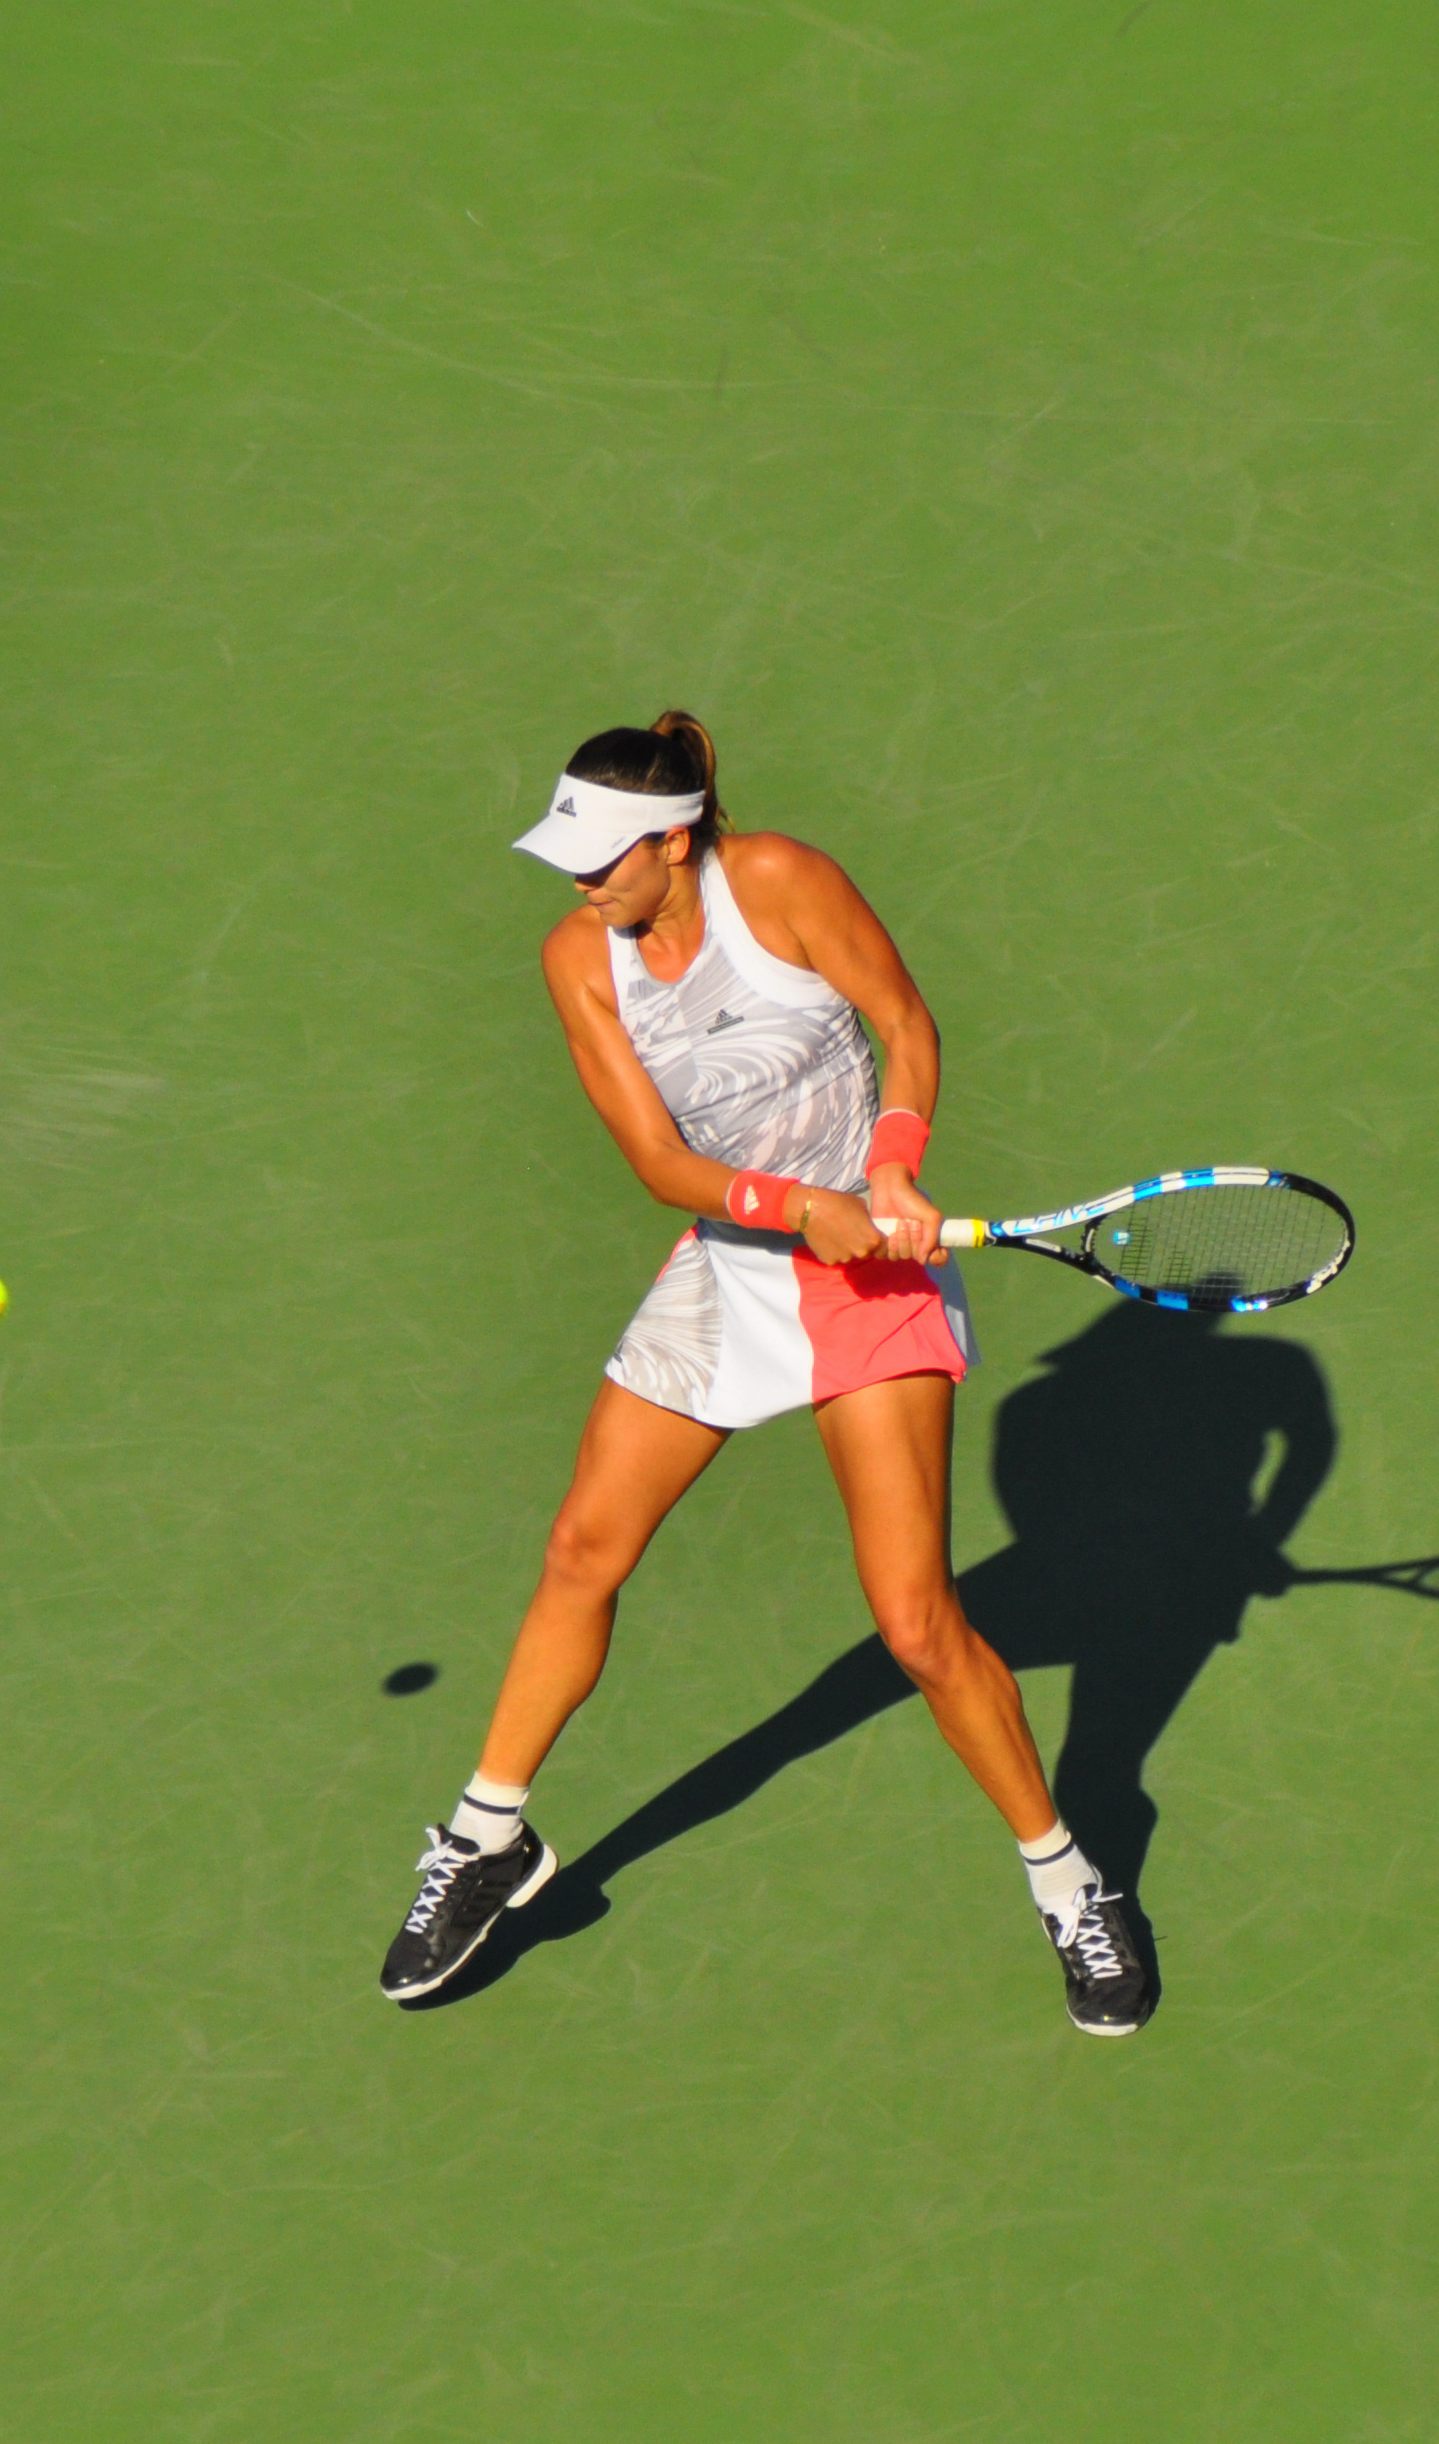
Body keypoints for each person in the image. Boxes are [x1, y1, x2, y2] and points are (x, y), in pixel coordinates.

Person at [378, 713, 1155, 2033]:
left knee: (917, 1626)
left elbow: (903, 1022)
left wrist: (891, 1165)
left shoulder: (782, 881)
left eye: (603, 858)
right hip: (732, 1274)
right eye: (569, 857)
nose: (581, 882)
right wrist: (793, 1205)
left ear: (674, 844)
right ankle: (487, 1838)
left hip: (872, 1280)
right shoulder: (578, 957)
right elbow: (657, 1161)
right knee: (582, 1549)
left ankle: (1069, 1881)